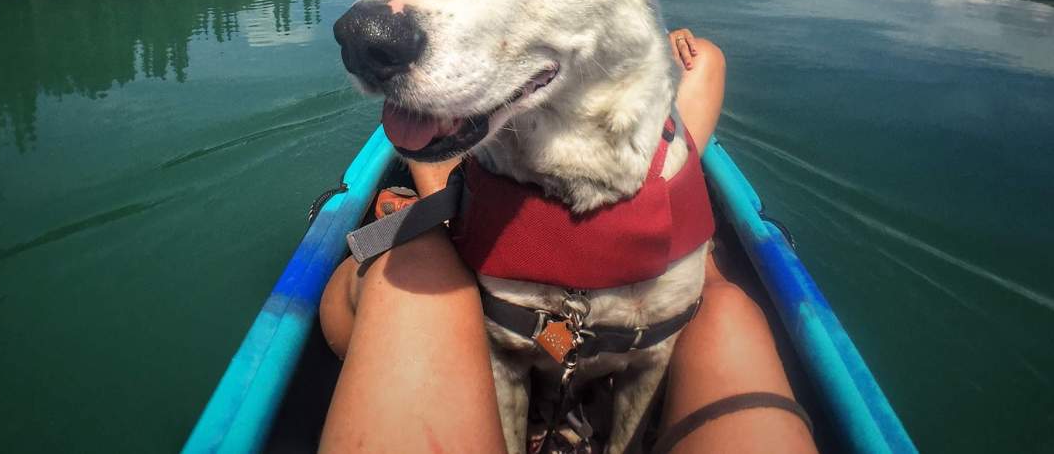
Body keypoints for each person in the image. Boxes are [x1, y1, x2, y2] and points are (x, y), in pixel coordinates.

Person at [318, 30, 817, 454]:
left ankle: (448, 207)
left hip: (543, 316)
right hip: (578, 321)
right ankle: (685, 238)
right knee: (722, 305)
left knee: (417, 264)